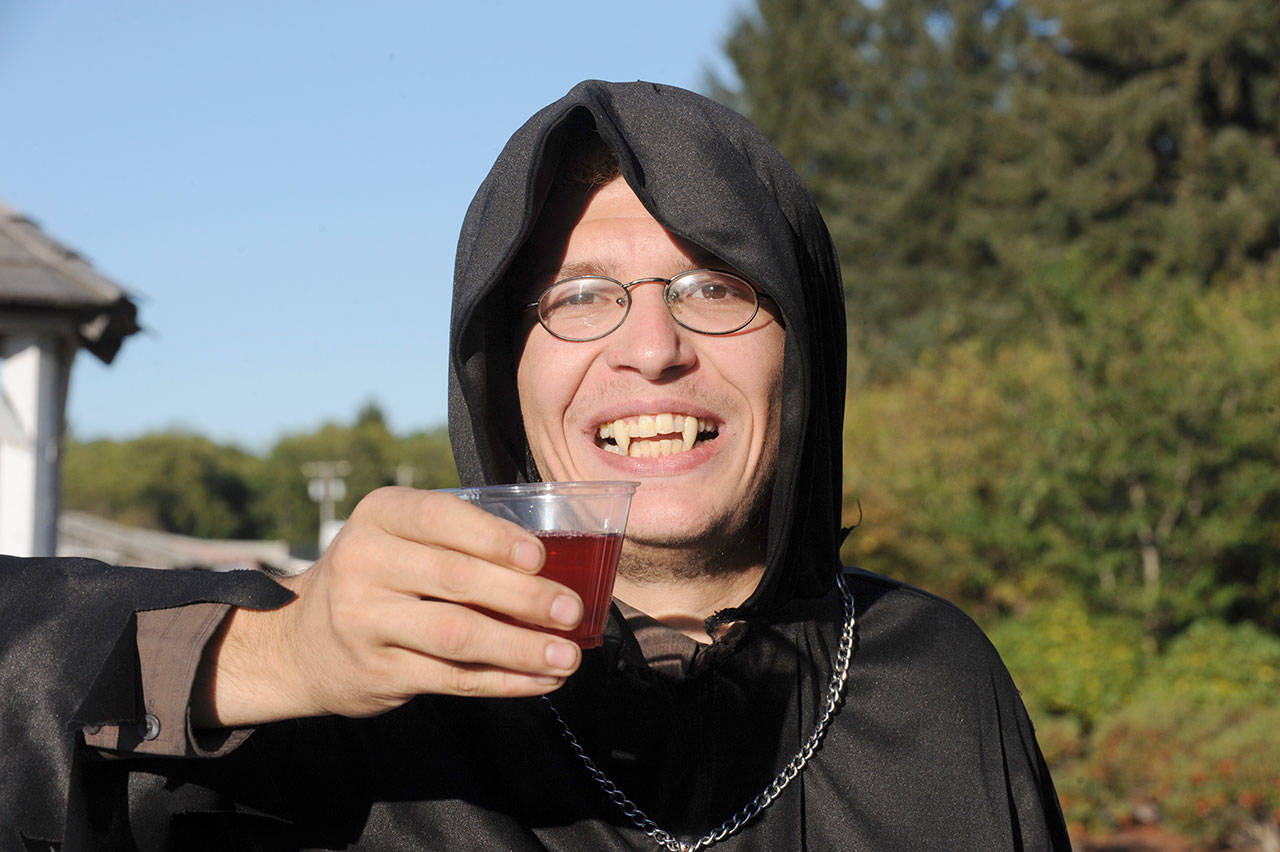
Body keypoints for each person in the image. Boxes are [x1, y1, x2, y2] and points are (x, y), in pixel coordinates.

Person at [0, 80, 1070, 850]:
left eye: (715, 286)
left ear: (805, 349)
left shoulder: (938, 684)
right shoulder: (366, 691)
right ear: (498, 375)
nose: (652, 348)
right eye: (577, 296)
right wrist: (281, 657)